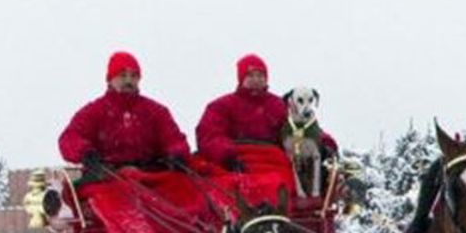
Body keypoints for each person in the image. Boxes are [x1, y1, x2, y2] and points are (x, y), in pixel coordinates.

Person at [195, 54, 337, 170]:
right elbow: (209, 135)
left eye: (260, 75)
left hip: (274, 162)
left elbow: (302, 128)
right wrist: (227, 157)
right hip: (236, 161)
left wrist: (324, 143)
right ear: (241, 78)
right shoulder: (221, 106)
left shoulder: (279, 106)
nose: (256, 80)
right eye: (250, 75)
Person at [57, 51, 191, 169]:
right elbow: (69, 138)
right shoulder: (94, 112)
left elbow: (174, 140)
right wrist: (86, 153)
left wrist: (177, 154)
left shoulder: (156, 112)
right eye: (122, 75)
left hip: (151, 177)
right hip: (108, 178)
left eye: (134, 76)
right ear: (109, 80)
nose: (129, 80)